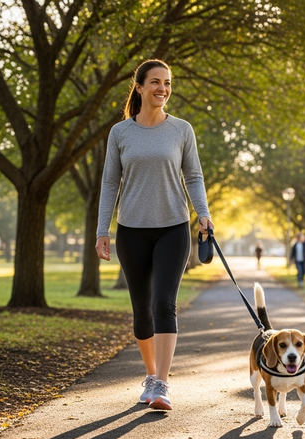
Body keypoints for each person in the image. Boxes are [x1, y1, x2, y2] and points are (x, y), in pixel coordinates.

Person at [95, 59, 213, 411]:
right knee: (142, 310)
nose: (163, 88)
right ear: (141, 87)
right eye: (156, 82)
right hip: (131, 231)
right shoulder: (120, 133)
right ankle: (150, 376)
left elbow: (193, 176)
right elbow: (109, 183)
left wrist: (202, 213)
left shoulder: (181, 130)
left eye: (168, 83)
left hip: (173, 228)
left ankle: (161, 384)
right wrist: (103, 229)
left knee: (164, 303)